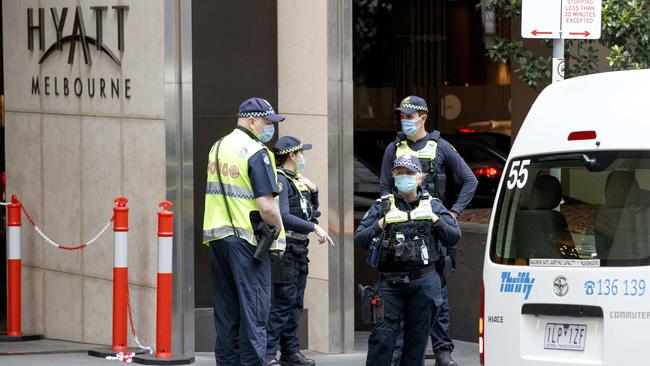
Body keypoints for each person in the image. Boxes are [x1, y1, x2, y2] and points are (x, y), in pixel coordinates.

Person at [380, 96, 478, 366]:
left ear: (423, 118)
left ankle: (443, 350)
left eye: (409, 117)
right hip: (400, 229)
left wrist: (453, 213)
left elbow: (470, 180)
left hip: (433, 229)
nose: (404, 121)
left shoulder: (441, 147)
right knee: (399, 288)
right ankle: (401, 349)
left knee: (437, 293)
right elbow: (384, 188)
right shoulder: (394, 148)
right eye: (402, 116)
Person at [203, 97, 287, 366]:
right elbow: (267, 206)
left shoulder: (216, 147)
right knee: (254, 316)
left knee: (227, 318)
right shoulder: (256, 151)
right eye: (267, 122)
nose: (270, 128)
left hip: (218, 240)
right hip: (248, 244)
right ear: (252, 120)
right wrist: (278, 227)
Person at [355, 155, 461, 366]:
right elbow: (360, 238)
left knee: (416, 344)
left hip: (424, 282)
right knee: (382, 340)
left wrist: (434, 219)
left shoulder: (433, 205)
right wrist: (381, 223)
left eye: (410, 173)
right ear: (394, 176)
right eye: (400, 173)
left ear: (419, 177)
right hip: (390, 283)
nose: (405, 177)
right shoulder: (383, 206)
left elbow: (454, 236)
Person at [265, 136, 334, 366]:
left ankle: (290, 352)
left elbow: (311, 213)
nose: (303, 157)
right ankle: (267, 354)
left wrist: (314, 191)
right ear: (292, 155)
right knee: (283, 303)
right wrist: (314, 228)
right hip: (286, 250)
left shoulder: (297, 181)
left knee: (294, 304)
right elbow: (284, 217)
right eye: (301, 153)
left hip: (299, 250)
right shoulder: (281, 180)